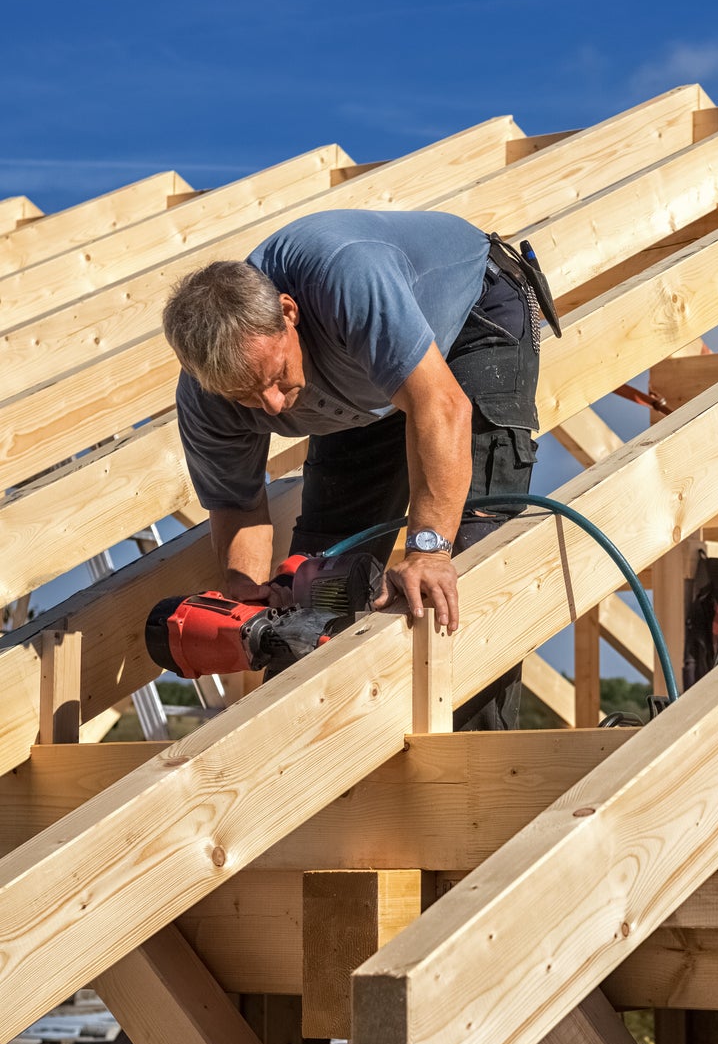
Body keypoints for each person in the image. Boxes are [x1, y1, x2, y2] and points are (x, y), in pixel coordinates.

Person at [162, 209, 541, 728]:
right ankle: (314, 777)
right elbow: (236, 503)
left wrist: (430, 548)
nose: (271, 405)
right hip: (365, 389)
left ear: (289, 313)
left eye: (274, 377)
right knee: (314, 587)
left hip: (469, 324)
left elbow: (441, 406)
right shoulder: (206, 399)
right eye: (245, 395)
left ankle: (478, 781)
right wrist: (247, 590)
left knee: (460, 566)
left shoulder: (346, 278)